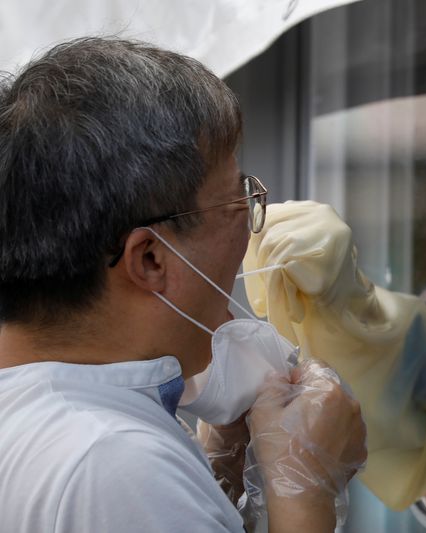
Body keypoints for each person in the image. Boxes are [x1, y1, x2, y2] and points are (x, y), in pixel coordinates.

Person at [0, 37, 366, 533]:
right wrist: (304, 489)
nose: (252, 224)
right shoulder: (112, 462)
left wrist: (216, 480)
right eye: (239, 201)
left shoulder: (50, 421)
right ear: (150, 259)